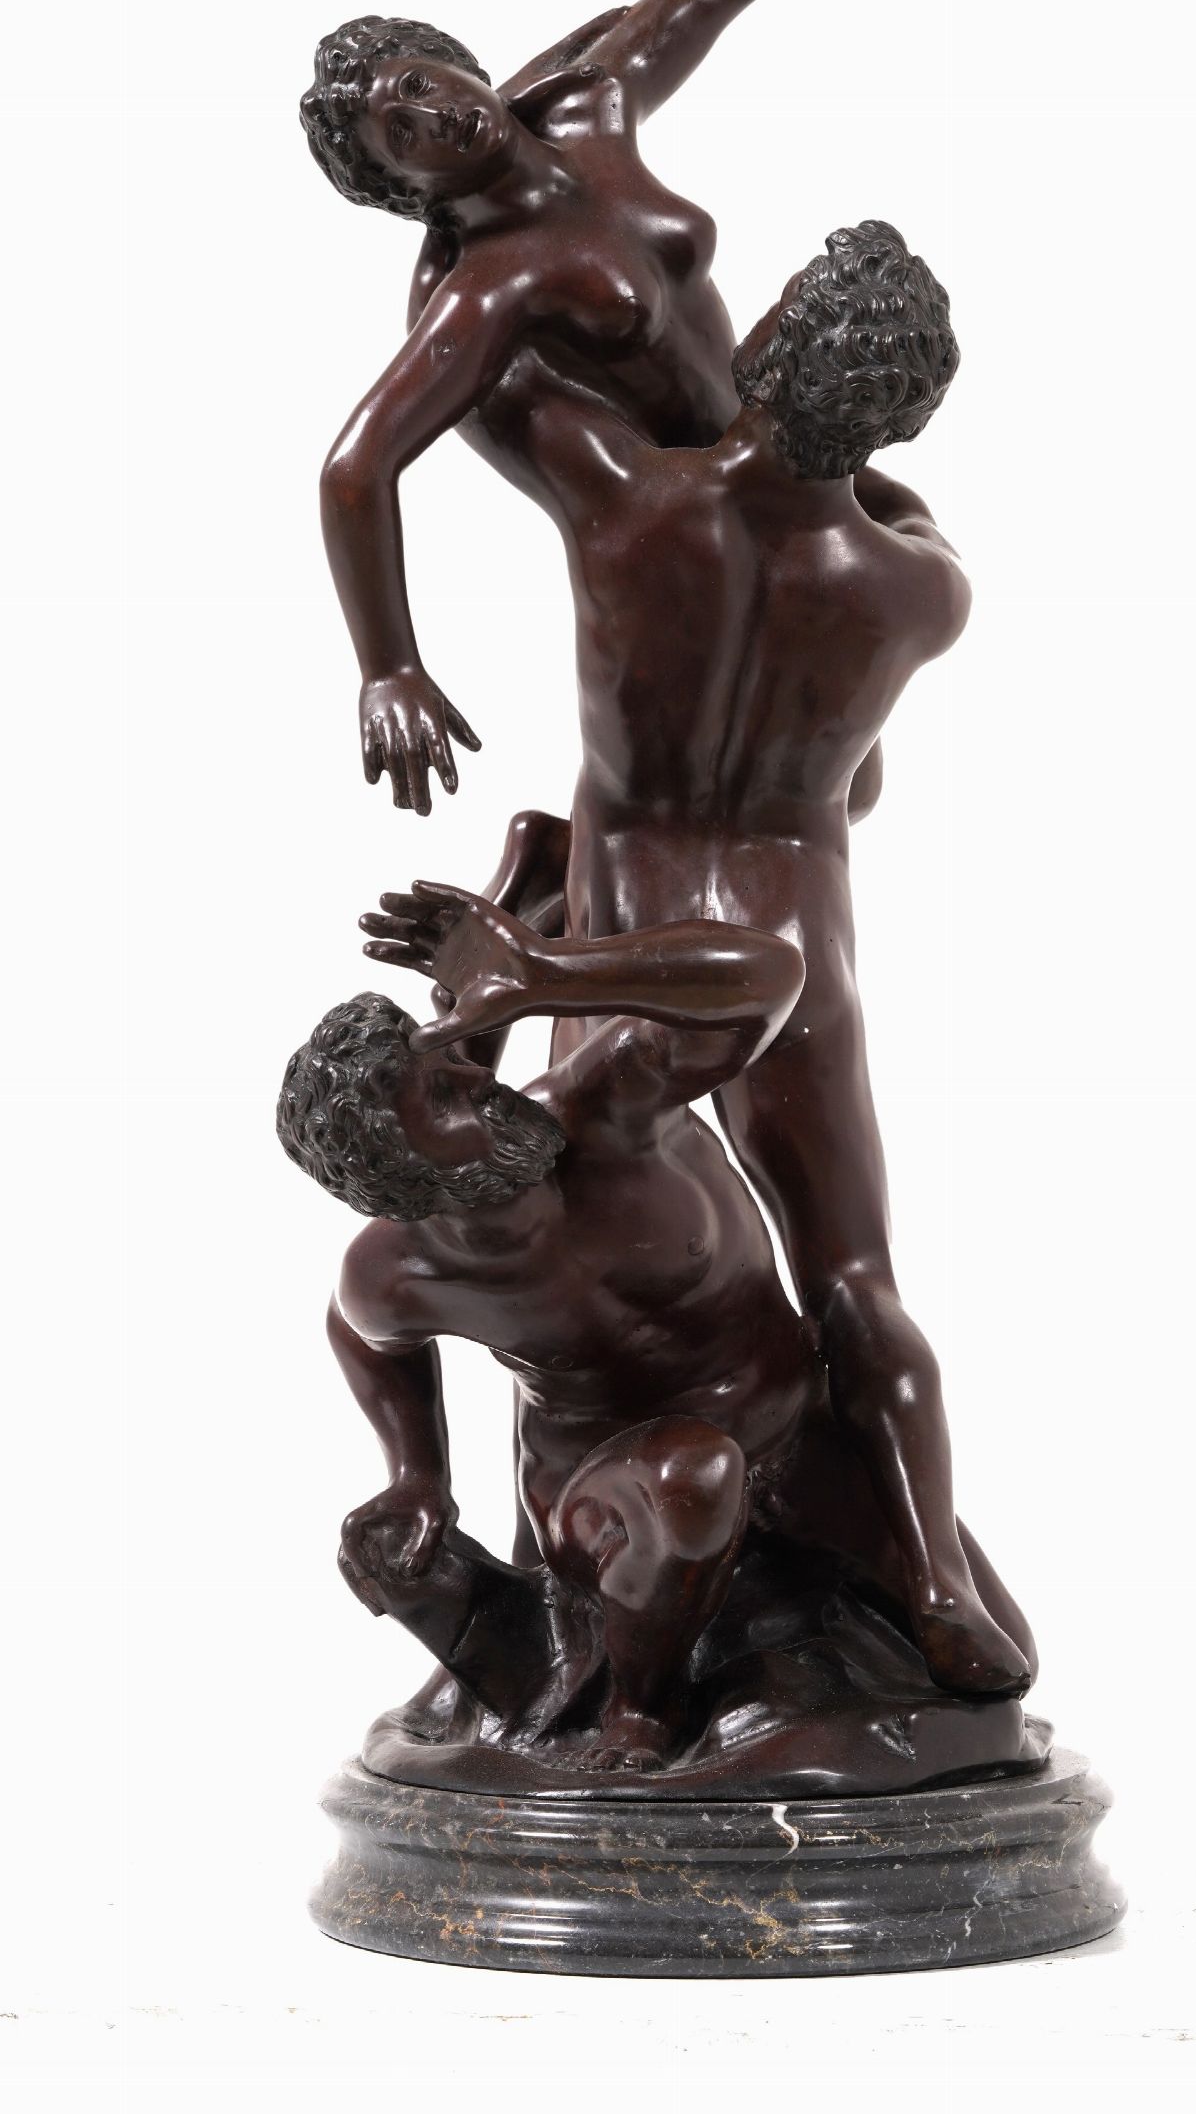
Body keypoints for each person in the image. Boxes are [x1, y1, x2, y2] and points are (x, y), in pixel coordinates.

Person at [416, 220, 1023, 1697]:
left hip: (625, 919)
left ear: (757, 347)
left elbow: (467, 368)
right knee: (853, 1274)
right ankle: (932, 1577)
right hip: (787, 927)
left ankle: (568, 1582)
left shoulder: (624, 500)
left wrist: (464, 229)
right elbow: (860, 773)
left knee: (547, 1221)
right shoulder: (920, 594)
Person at [301, 0, 951, 811]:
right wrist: (387, 666)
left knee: (846, 782)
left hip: (790, 450)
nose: (433, 120)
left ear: (451, 58)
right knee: (759, 794)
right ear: (406, 192)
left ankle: (549, 876)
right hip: (681, 524)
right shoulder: (494, 282)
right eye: (401, 140)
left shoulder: (589, 106)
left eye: (418, 86)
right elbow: (356, 464)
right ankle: (554, 882)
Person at [278, 877, 1035, 1769]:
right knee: (689, 1472)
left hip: (798, 1428)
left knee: (999, 1669)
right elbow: (363, 1335)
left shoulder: (604, 1108)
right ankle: (643, 1712)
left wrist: (547, 972)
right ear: (404, 1179)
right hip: (615, 1483)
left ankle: (911, 1595)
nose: (480, 1081)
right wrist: (416, 1475)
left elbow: (769, 975)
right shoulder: (401, 1274)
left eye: (454, 1064)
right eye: (443, 1099)